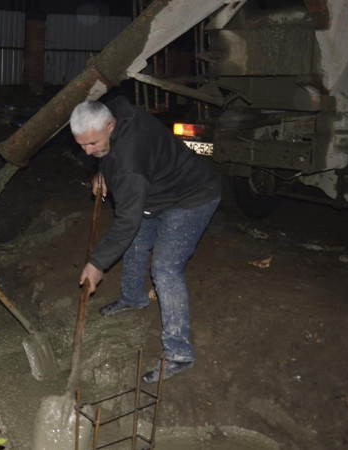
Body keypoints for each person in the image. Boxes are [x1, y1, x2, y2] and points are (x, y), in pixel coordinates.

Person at [70, 96, 221, 383]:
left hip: (191, 196)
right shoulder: (111, 112)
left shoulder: (130, 162)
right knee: (138, 242)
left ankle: (179, 354)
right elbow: (107, 157)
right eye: (82, 145)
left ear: (111, 126)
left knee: (164, 267)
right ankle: (133, 298)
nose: (88, 152)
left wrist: (97, 263)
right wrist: (102, 172)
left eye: (92, 144)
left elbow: (127, 220)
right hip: (158, 188)